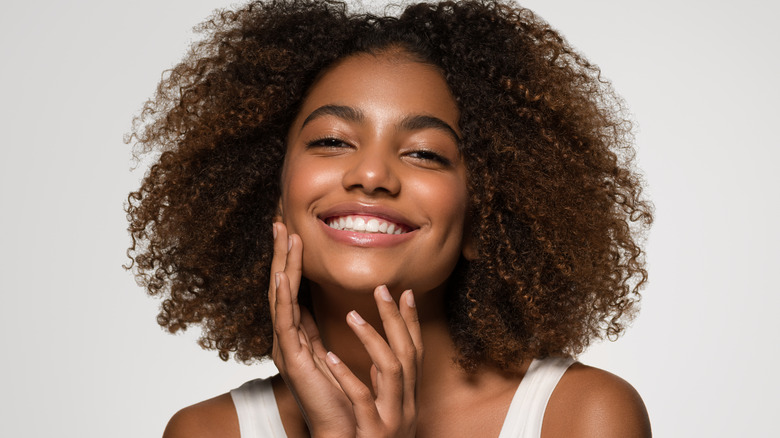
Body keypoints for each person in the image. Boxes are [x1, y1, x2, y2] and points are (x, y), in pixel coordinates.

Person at [126, 0, 653, 436]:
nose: (373, 174)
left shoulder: (580, 416)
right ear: (273, 197)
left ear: (481, 217)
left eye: (425, 153)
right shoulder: (208, 432)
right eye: (332, 141)